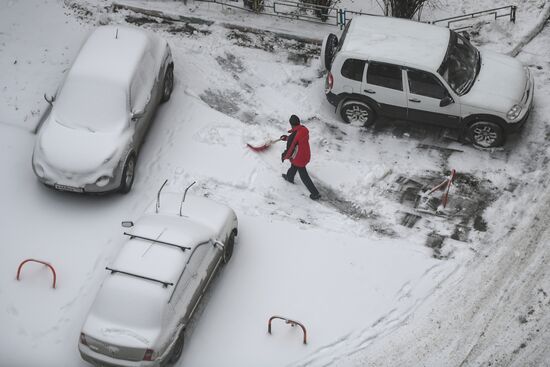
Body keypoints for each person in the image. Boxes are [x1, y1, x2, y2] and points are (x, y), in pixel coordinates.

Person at [281, 115, 321, 200]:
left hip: (299, 158)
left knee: (304, 175)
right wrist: (287, 138)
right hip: (305, 154)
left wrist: (284, 156)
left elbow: (290, 149)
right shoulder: (303, 129)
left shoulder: (294, 135)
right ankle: (289, 177)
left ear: (291, 124)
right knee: (293, 166)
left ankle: (315, 193)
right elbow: (296, 139)